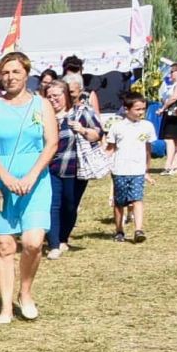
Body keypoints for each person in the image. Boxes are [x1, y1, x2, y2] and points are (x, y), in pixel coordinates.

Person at [0, 51, 58, 324]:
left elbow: (51, 144)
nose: (10, 77)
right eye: (6, 72)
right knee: (2, 244)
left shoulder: (42, 105)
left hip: (35, 181)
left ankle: (25, 292)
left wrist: (32, 175)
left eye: (16, 72)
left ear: (26, 74)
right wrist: (6, 177)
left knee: (33, 243)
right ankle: (5, 306)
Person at [44, 78, 103, 260]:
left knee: (70, 205)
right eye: (48, 97)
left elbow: (98, 133)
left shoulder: (81, 112)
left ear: (66, 95)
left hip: (76, 168)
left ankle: (63, 238)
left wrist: (83, 130)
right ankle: (53, 244)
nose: (52, 100)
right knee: (51, 205)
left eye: (56, 96)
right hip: (50, 168)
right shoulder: (44, 116)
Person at [106, 92, 154, 242]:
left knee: (137, 199)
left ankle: (138, 229)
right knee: (119, 202)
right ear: (126, 109)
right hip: (120, 170)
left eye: (143, 109)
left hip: (137, 171)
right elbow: (110, 149)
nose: (141, 112)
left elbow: (147, 150)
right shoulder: (117, 127)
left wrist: (146, 170)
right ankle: (119, 230)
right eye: (137, 109)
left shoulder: (147, 126)